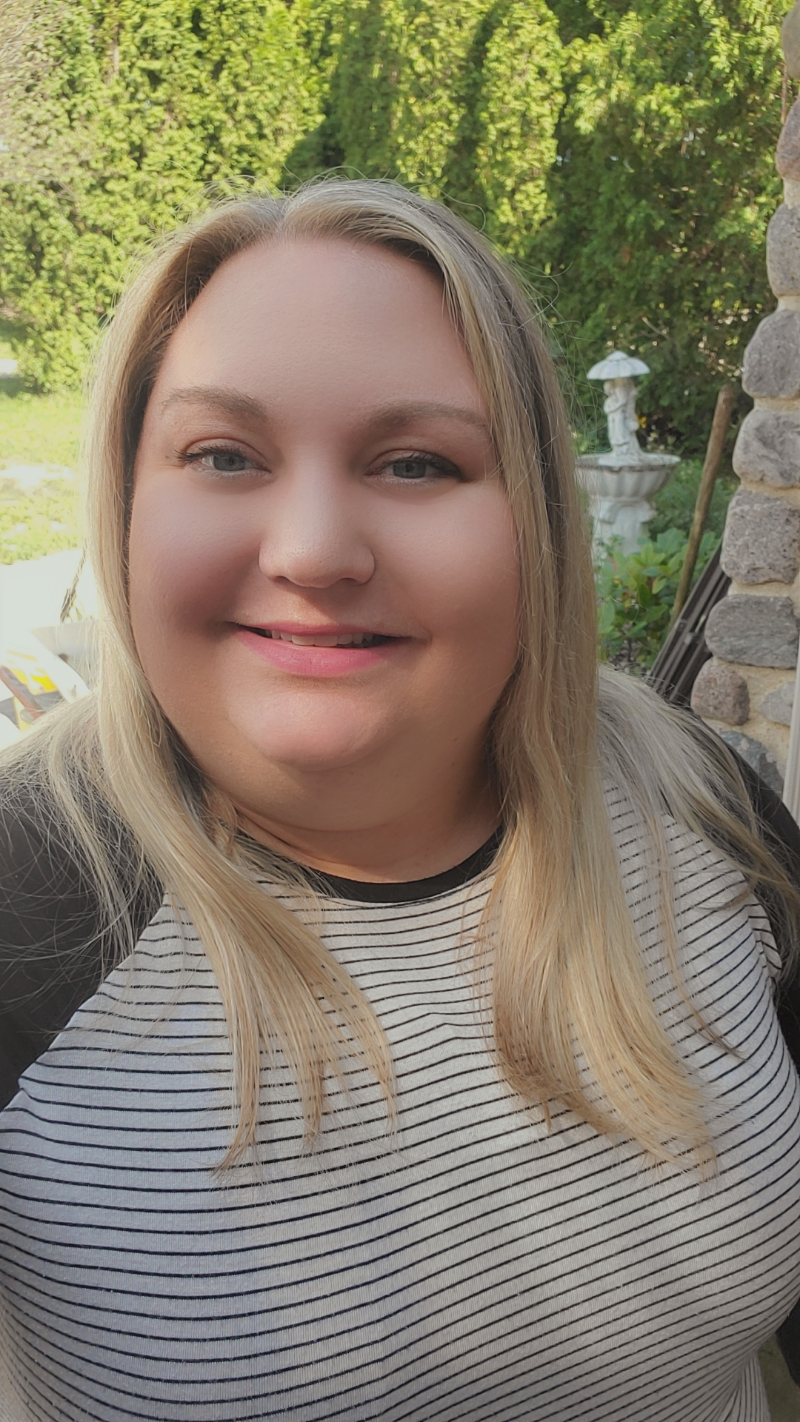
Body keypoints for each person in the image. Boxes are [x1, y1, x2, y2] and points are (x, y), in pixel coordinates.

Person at [1, 179, 800, 1422]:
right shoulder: (24, 904)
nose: (313, 550)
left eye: (417, 462)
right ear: (125, 499)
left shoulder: (702, 809)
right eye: (223, 456)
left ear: (535, 520)